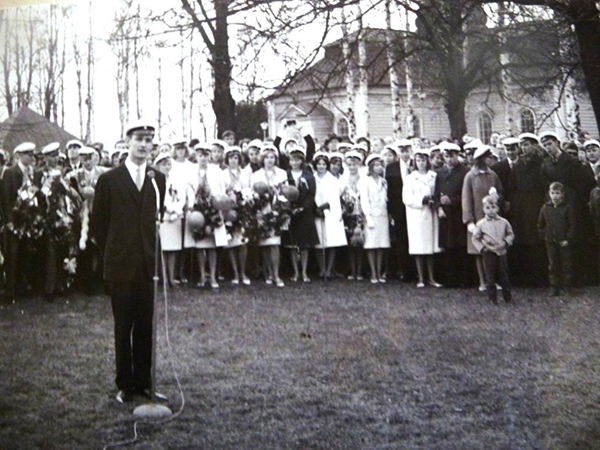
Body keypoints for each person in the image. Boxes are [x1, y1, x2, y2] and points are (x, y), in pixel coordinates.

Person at [90, 122, 166, 403]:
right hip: (121, 265)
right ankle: (124, 384)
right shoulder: (109, 180)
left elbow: (156, 217)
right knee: (123, 326)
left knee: (146, 326)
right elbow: (99, 224)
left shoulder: (157, 179)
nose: (144, 144)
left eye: (149, 140)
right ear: (127, 142)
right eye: (139, 139)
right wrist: (114, 251)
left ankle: (144, 382)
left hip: (148, 266)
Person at [2, 142, 43, 302]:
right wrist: (9, 221)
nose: (31, 157)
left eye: (32, 154)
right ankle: (10, 291)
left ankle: (22, 286)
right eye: (28, 154)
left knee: (25, 254)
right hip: (15, 220)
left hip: (29, 221)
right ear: (19, 155)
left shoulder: (34, 173)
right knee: (12, 255)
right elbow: (6, 199)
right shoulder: (10, 173)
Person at [507, 133, 549, 286]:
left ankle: (539, 277)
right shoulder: (518, 164)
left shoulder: (542, 163)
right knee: (522, 240)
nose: (524, 148)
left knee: (536, 240)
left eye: (526, 145)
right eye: (522, 145)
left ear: (534, 145)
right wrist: (514, 202)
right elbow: (512, 186)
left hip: (536, 205)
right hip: (521, 208)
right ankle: (524, 277)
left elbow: (545, 187)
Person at [462, 145, 504, 291]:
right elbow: (466, 200)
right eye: (487, 157)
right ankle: (482, 281)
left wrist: (497, 196)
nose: (490, 160)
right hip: (478, 218)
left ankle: (493, 280)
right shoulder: (470, 176)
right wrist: (469, 221)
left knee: (493, 249)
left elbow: (501, 193)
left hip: (492, 217)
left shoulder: (493, 175)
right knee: (479, 250)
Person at [403, 148, 442, 288]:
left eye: (423, 160)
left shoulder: (434, 176)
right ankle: (420, 278)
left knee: (430, 247)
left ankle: (431, 277)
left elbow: (438, 193)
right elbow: (406, 198)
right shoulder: (410, 178)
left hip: (431, 214)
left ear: (427, 161)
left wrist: (433, 200)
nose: (421, 163)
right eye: (418, 160)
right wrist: (422, 200)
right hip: (416, 215)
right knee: (419, 247)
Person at [251, 144, 288, 287]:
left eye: (272, 157)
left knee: (275, 244)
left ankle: (276, 275)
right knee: (265, 244)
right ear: (262, 159)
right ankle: (269, 274)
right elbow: (253, 194)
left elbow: (286, 192)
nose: (269, 160)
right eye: (267, 157)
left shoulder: (282, 174)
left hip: (277, 211)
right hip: (262, 211)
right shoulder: (256, 175)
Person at [434, 142, 470, 287]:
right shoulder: (440, 173)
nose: (449, 159)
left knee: (460, 245)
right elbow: (436, 194)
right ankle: (449, 279)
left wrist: (453, 200)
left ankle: (463, 279)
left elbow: (466, 194)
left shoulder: (465, 172)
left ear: (457, 155)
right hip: (445, 214)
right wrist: (439, 207)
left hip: (458, 213)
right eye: (447, 156)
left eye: (452, 156)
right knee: (447, 246)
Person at [282, 146, 319, 282]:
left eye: (297, 160)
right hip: (290, 212)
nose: (295, 162)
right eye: (292, 160)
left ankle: (304, 273)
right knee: (292, 244)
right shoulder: (286, 175)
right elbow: (283, 192)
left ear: (302, 161)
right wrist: (288, 208)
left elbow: (311, 194)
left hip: (304, 212)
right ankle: (295, 273)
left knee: (304, 245)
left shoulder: (308, 176)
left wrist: (303, 208)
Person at [472, 195, 514, 304]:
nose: (491, 210)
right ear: (483, 209)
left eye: (493, 207)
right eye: (487, 208)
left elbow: (510, 234)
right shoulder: (481, 224)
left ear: (497, 208)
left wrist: (505, 242)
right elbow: (475, 238)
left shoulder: (504, 222)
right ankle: (492, 298)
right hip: (489, 252)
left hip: (501, 252)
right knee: (490, 276)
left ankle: (507, 297)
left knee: (504, 275)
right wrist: (482, 248)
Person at [537, 182, 576, 296]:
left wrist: (567, 239)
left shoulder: (567, 208)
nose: (555, 196)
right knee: (553, 264)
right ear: (549, 194)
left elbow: (572, 225)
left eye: (557, 193)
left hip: (564, 242)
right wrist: (546, 236)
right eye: (552, 193)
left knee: (566, 264)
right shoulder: (545, 208)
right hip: (550, 242)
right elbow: (540, 225)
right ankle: (554, 286)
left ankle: (567, 286)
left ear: (562, 194)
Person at [313, 152, 347, 279]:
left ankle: (329, 269)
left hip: (330, 212)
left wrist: (326, 206)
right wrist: (317, 208)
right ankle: (322, 269)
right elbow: (311, 195)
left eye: (323, 164)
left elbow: (335, 198)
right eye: (319, 164)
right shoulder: (312, 178)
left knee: (332, 241)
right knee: (319, 243)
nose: (321, 166)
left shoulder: (332, 179)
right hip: (317, 213)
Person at [154, 153, 186, 287]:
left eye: (168, 164)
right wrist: (169, 210)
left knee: (173, 250)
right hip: (164, 218)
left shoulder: (176, 180)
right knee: (163, 250)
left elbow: (181, 197)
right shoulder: (155, 181)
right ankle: (164, 278)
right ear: (157, 167)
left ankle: (172, 277)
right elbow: (159, 200)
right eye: (163, 165)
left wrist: (177, 211)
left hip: (175, 218)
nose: (167, 167)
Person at [221, 146, 252, 285]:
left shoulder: (246, 173)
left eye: (235, 158)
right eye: (230, 158)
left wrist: (244, 198)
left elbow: (250, 189)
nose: (233, 161)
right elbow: (221, 191)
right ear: (227, 160)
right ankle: (235, 273)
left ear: (239, 159)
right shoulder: (223, 174)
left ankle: (243, 272)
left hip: (243, 210)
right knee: (231, 243)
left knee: (243, 242)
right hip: (229, 211)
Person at [359, 154, 390, 283]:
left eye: (381, 165)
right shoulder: (365, 181)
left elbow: (386, 199)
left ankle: (379, 272)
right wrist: (368, 216)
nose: (379, 167)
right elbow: (364, 200)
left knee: (381, 244)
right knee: (371, 244)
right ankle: (373, 273)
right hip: (371, 215)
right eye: (376, 165)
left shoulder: (383, 181)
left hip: (382, 215)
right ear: (371, 167)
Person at [386, 139, 414, 281]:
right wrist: (390, 211)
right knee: (401, 240)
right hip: (398, 209)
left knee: (414, 238)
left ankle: (417, 271)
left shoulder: (417, 165)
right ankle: (405, 271)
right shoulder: (391, 168)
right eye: (402, 151)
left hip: (415, 209)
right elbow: (389, 191)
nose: (405, 153)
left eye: (407, 150)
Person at [341, 151, 364, 280]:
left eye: (354, 164)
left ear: (358, 164)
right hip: (348, 214)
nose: (352, 167)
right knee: (350, 244)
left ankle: (360, 271)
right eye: (349, 164)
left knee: (360, 243)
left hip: (360, 212)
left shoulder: (364, 178)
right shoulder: (343, 178)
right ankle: (352, 270)